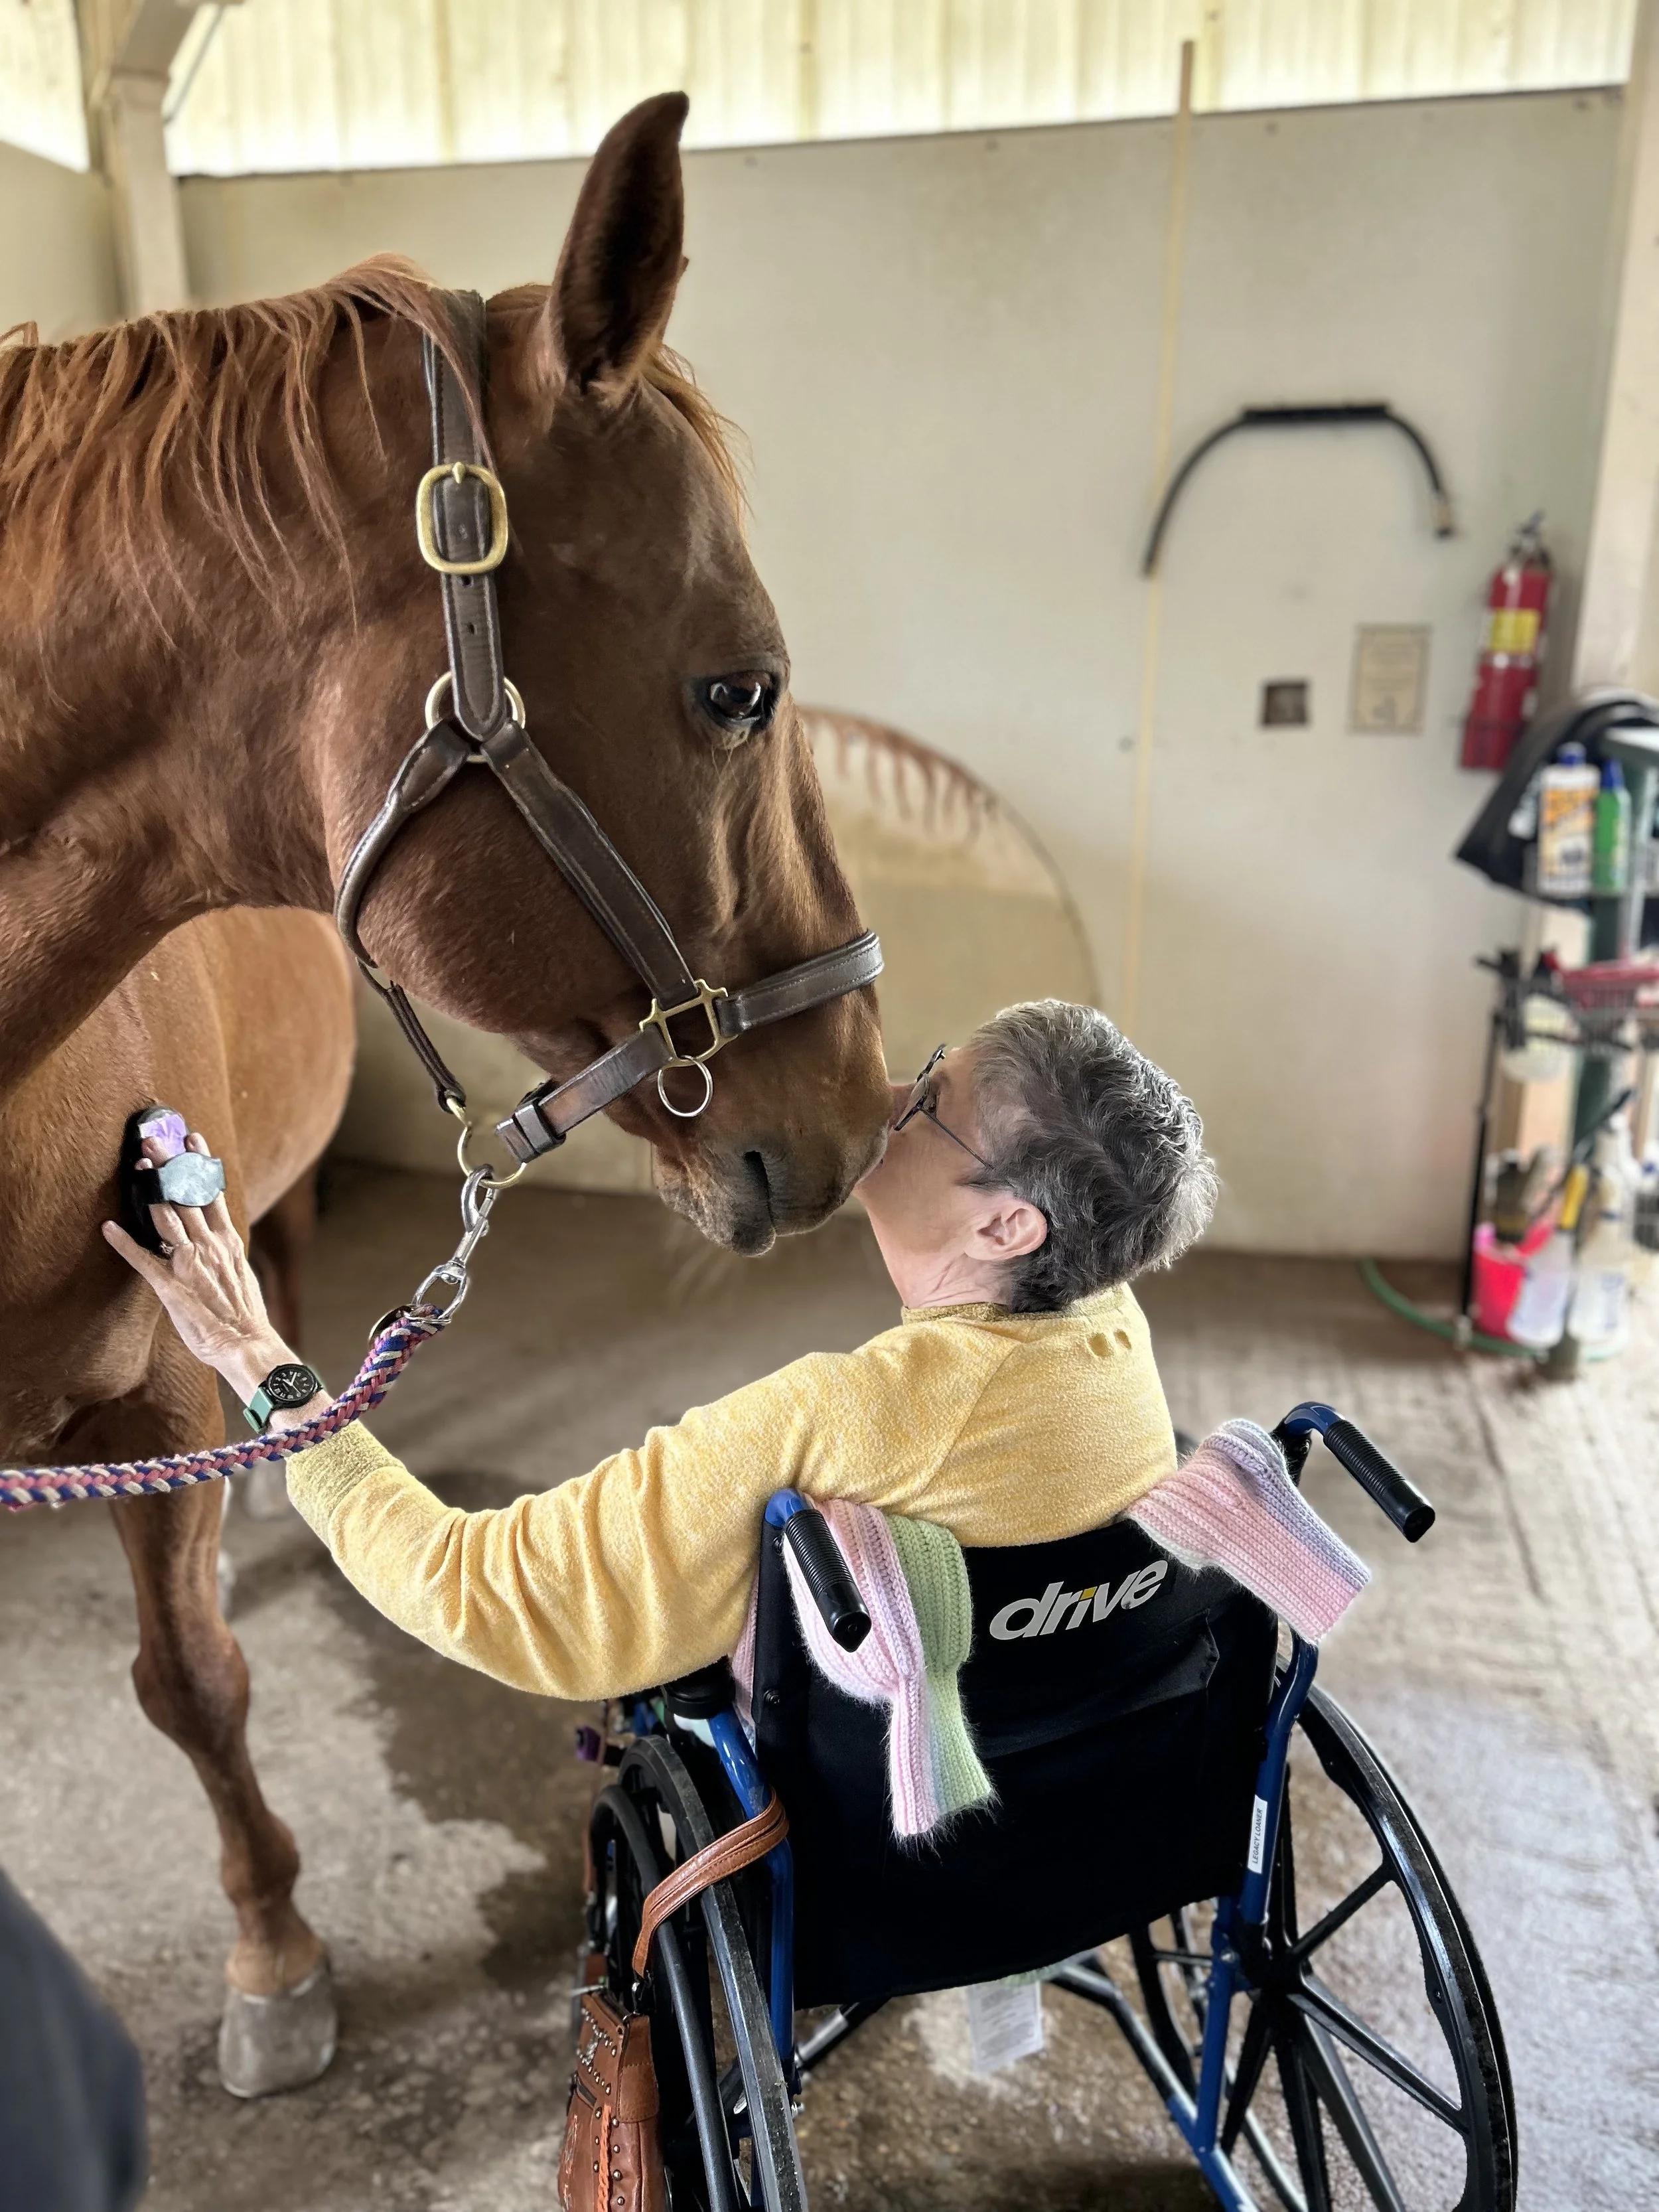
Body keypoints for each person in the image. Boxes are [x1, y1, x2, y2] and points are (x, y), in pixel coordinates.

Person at [103, 1001, 1216, 1702]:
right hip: (1069, 1774)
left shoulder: (841, 1421)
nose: (879, 1098)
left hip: (865, 1833)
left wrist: (254, 1355)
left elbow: (473, 1587)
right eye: (923, 1063)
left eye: (929, 1103)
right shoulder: (1113, 1329)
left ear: (1008, 1227)